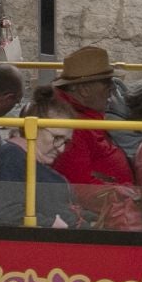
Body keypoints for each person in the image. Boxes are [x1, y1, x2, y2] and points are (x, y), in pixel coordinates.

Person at [0, 91, 85, 229]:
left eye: (66, 141)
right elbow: (5, 212)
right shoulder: (10, 158)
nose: (61, 149)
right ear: (33, 129)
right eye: (57, 138)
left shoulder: (24, 158)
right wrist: (51, 224)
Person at [47, 46, 134, 188]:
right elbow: (82, 187)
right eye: (107, 84)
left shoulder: (84, 117)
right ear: (84, 90)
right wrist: (131, 197)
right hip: (111, 206)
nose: (112, 90)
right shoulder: (73, 128)